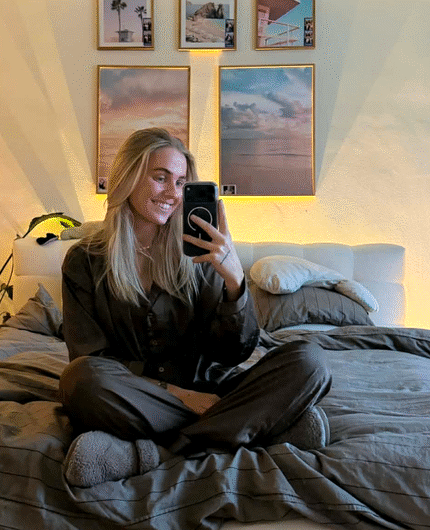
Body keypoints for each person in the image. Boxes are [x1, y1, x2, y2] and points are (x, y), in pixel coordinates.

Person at [59, 128, 331, 488]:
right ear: (127, 178)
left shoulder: (202, 255)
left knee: (311, 361)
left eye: (181, 182)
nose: (173, 194)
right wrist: (185, 398)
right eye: (160, 178)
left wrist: (235, 280)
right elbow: (90, 356)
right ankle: (250, 427)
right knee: (80, 380)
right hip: (139, 395)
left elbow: (232, 353)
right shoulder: (84, 260)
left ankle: (158, 453)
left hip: (213, 389)